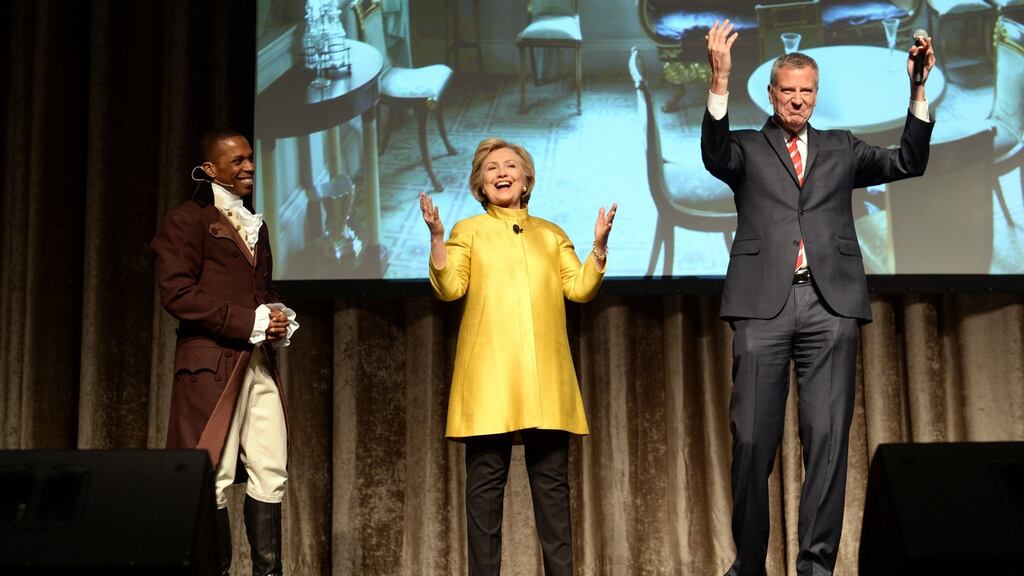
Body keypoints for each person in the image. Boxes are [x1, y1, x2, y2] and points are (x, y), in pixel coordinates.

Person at [701, 21, 935, 576]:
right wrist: (719, 79)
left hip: (830, 307)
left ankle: (816, 567)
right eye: (788, 90)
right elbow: (713, 155)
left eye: (806, 91)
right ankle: (749, 564)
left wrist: (917, 89)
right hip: (762, 306)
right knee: (752, 442)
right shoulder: (746, 147)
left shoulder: (840, 147)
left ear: (816, 95)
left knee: (828, 441)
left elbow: (908, 161)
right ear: (771, 94)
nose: (797, 99)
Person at [419, 137, 617, 576]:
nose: (501, 173)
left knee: (553, 495)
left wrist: (599, 247)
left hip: (546, 381)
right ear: (480, 184)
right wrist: (437, 238)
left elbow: (580, 289)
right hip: (490, 382)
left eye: (510, 166)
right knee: (484, 500)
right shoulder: (468, 231)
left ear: (526, 180)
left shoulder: (551, 233)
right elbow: (449, 288)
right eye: (491, 168)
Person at [151, 129, 299, 576]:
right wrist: (247, 321)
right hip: (211, 366)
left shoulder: (256, 223)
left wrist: (275, 315)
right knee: (210, 476)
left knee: (271, 469)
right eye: (237, 161)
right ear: (210, 170)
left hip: (257, 363)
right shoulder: (187, 220)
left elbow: (261, 291)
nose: (249, 166)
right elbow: (177, 293)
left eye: (250, 158)